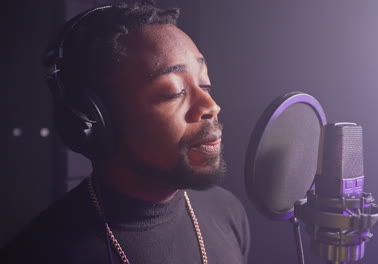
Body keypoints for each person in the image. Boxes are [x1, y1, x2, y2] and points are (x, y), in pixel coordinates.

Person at [2, 2, 250, 264]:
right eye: (173, 92)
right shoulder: (40, 252)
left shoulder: (228, 212)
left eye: (205, 84)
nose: (211, 106)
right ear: (96, 118)